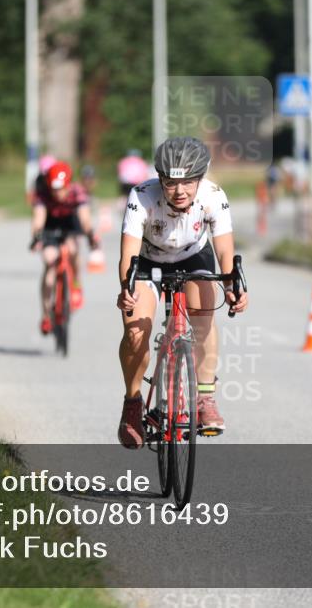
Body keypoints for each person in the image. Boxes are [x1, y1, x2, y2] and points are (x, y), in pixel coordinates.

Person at [115, 136, 249, 449]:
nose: (179, 191)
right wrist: (127, 288)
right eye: (170, 183)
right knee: (136, 332)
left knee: (203, 316)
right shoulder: (141, 196)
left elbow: (225, 250)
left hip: (193, 257)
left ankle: (204, 399)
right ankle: (133, 403)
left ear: (200, 179)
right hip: (147, 261)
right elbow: (128, 256)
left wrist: (232, 287)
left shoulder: (213, 196)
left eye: (188, 182)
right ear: (159, 178)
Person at [30, 161, 99, 334]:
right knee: (49, 260)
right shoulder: (43, 194)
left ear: (68, 184)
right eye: (54, 189)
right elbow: (38, 218)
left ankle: (76, 283)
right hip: (50, 227)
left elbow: (84, 218)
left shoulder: (77, 192)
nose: (58, 193)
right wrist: (36, 236)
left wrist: (90, 234)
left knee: (73, 248)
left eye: (61, 189)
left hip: (70, 225)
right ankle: (46, 315)